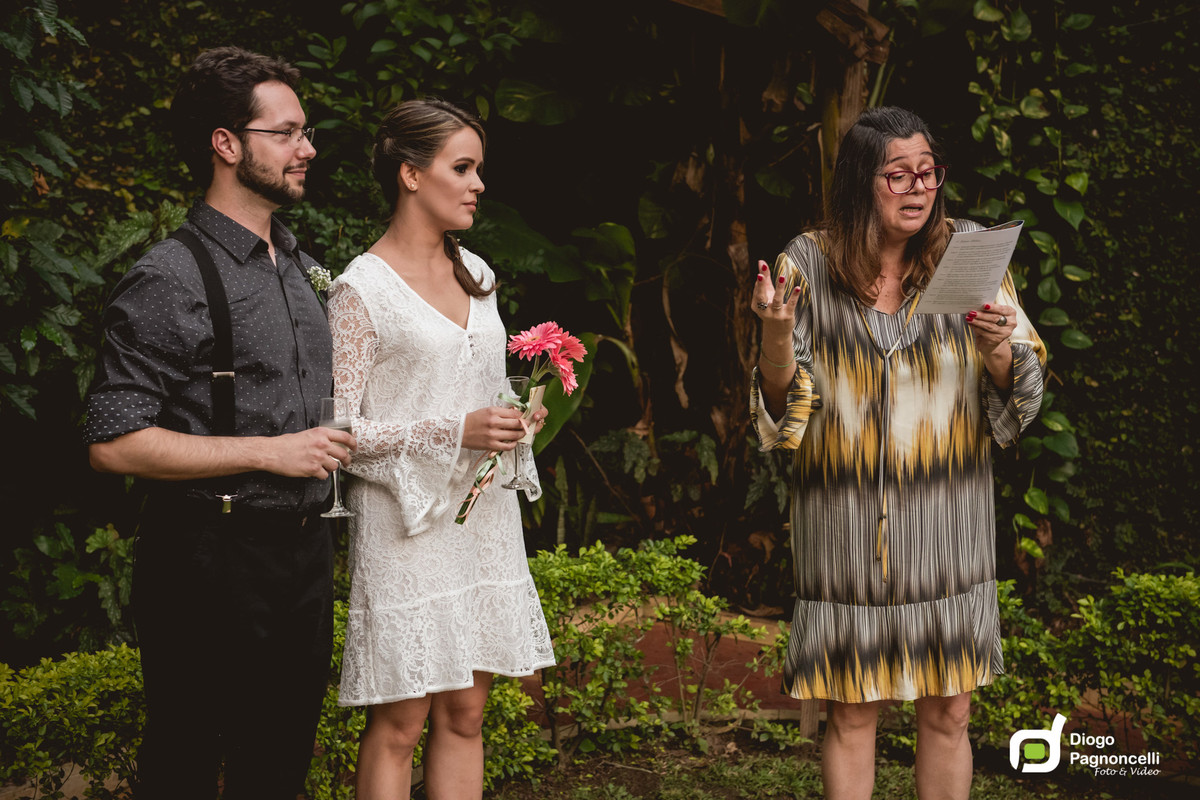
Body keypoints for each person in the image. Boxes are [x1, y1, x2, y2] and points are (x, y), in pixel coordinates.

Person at [749, 106, 1046, 800]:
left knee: (950, 709)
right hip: (847, 533)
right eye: (898, 175)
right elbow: (777, 407)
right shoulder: (807, 264)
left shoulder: (968, 252)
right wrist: (774, 331)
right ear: (860, 182)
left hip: (949, 527)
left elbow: (1022, 391)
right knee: (851, 712)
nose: (919, 188)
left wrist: (998, 350)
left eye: (929, 172)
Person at [84, 46, 354, 799]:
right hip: (209, 557)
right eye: (288, 133)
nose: (308, 149)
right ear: (227, 144)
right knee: (186, 764)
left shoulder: (297, 269)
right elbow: (114, 444)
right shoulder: (170, 276)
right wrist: (271, 454)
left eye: (305, 132)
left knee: (278, 767)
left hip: (302, 558)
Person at [326, 98, 556, 799]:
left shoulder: (478, 275)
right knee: (400, 721)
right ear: (411, 175)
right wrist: (455, 431)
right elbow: (338, 436)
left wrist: (518, 418)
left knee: (467, 711)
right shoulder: (359, 291)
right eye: (463, 167)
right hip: (404, 527)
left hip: (479, 519)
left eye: (478, 168)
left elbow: (477, 392)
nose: (479, 184)